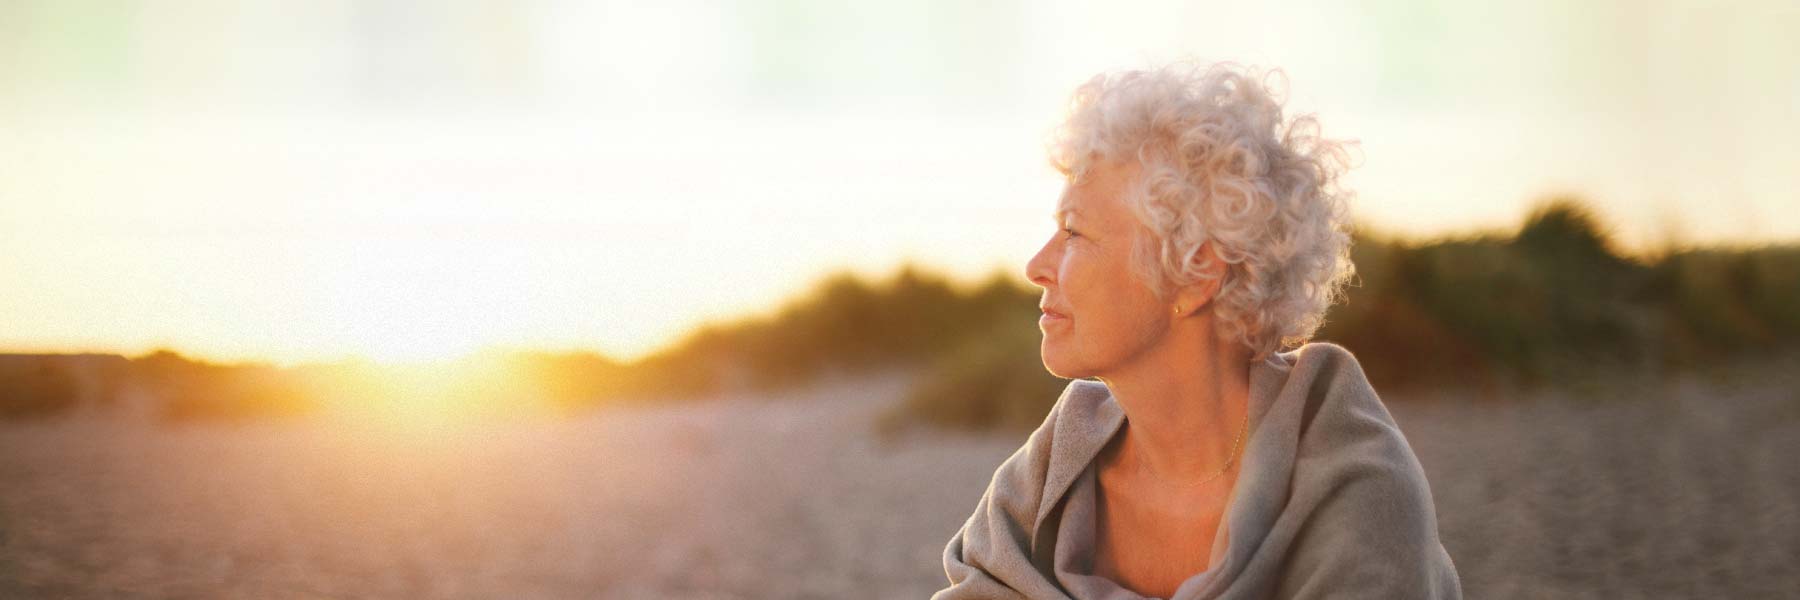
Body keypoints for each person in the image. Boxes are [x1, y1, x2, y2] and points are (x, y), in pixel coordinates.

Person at [933, 62, 1462, 599]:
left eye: (1074, 232)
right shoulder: (1054, 466)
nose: (1037, 265)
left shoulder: (1357, 489)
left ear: (1196, 272)